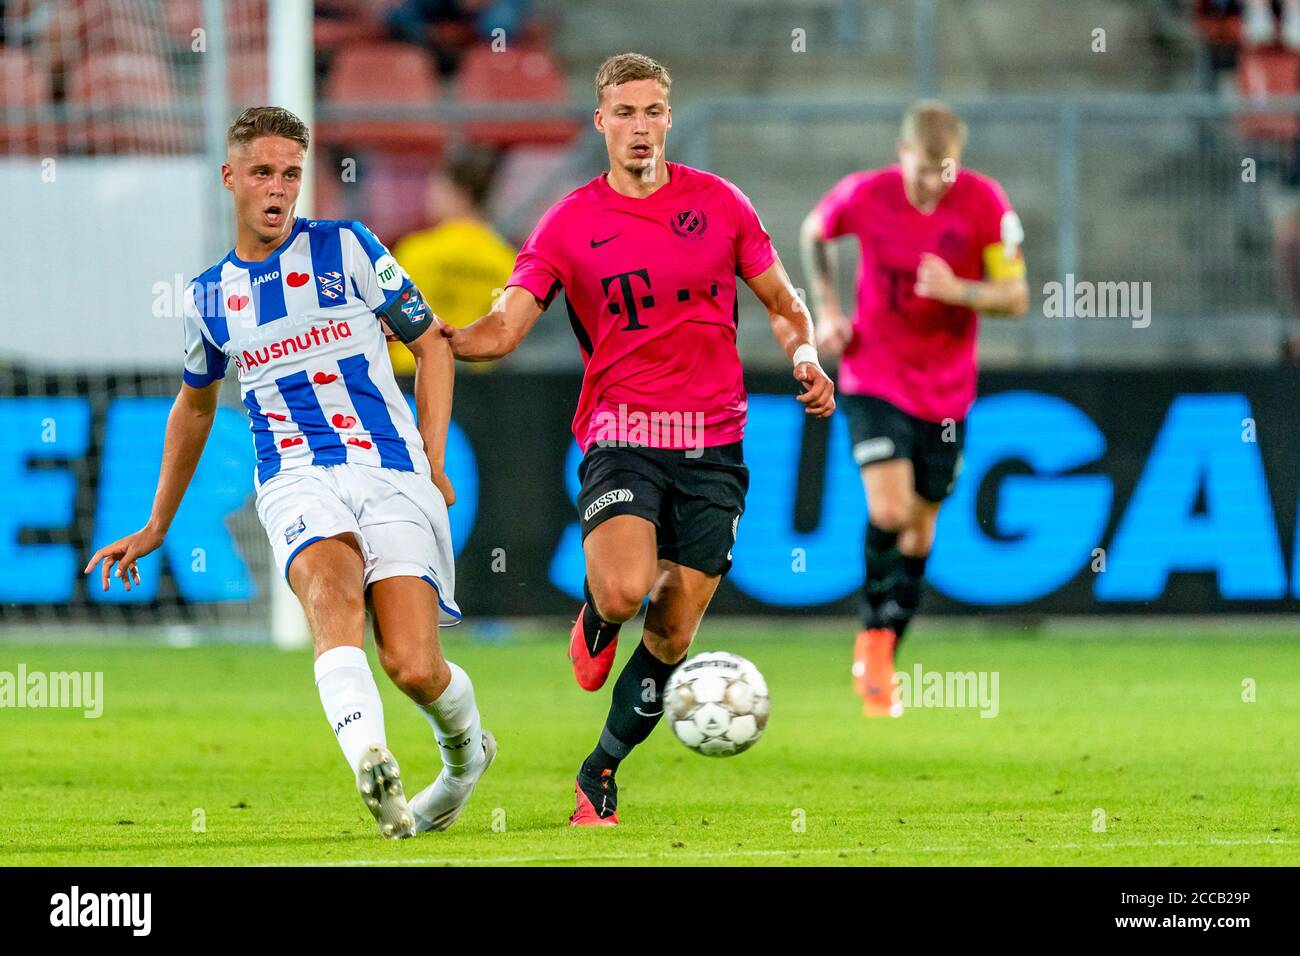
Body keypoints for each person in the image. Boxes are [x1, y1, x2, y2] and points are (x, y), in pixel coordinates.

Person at [439, 52, 835, 825]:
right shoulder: (570, 223)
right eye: (625, 112)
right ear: (601, 122)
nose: (640, 127)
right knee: (624, 588)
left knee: (672, 631)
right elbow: (507, 327)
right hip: (624, 430)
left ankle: (600, 771)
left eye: (653, 111)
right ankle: (595, 616)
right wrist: (443, 337)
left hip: (715, 441)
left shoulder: (719, 204)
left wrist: (806, 355)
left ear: (669, 120)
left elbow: (785, 304)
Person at [83, 106, 493, 838]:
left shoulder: (350, 248)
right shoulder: (210, 298)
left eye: (292, 174)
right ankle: (370, 755)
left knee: (414, 667)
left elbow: (433, 345)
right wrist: (155, 524)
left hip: (390, 470)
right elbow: (195, 409)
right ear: (231, 177)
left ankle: (465, 761)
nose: (278, 188)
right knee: (330, 593)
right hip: (295, 476)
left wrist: (432, 454)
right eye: (264, 172)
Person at [801, 101, 1029, 717]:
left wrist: (963, 291)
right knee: (891, 508)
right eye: (926, 171)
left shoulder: (986, 204)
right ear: (903, 154)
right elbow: (814, 232)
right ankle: (871, 644)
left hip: (948, 394)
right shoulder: (867, 195)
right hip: (874, 375)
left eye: (945, 172)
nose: (935, 184)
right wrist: (826, 309)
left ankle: (883, 647)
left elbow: (1016, 296)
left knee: (921, 528)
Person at [388, 148, 516, 376]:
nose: (430, 196)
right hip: (477, 383)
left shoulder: (415, 250)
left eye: (438, 188)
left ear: (460, 192)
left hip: (414, 377)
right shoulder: (506, 259)